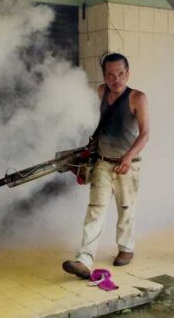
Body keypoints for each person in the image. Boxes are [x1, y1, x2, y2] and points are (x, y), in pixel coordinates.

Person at [63, 53, 150, 279]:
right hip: (102, 162)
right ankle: (84, 259)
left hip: (128, 165)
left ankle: (126, 248)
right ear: (104, 76)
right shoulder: (101, 92)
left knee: (126, 210)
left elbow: (145, 134)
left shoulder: (137, 98)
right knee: (95, 210)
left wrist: (129, 157)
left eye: (121, 74)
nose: (116, 79)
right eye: (110, 75)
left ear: (128, 73)